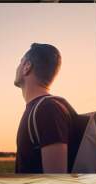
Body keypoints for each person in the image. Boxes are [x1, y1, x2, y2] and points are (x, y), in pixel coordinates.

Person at [14, 43, 76, 174]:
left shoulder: (48, 110)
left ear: (27, 66)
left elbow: (55, 182)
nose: (17, 67)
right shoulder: (39, 109)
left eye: (20, 62)